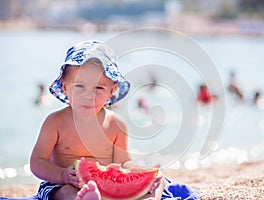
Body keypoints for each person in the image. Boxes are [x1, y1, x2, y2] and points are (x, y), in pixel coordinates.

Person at [30, 40, 200, 200]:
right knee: (66, 193)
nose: (88, 95)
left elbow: (123, 164)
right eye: (79, 86)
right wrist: (62, 175)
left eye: (98, 88)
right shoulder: (55, 122)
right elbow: (37, 162)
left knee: (157, 178)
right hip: (61, 184)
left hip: (107, 185)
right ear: (65, 87)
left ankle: (151, 196)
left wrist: (146, 173)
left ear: (111, 92)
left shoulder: (116, 124)